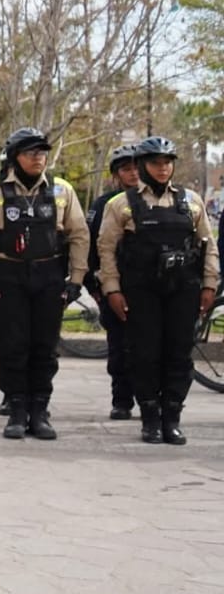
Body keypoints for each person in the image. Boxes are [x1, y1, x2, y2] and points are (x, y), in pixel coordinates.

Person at [0, 127, 90, 441]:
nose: (38, 158)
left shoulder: (62, 190)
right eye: (31, 152)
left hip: (49, 277)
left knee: (44, 347)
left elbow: (79, 235)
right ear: (14, 157)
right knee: (12, 346)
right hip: (8, 276)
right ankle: (17, 410)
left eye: (42, 152)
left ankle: (40, 411)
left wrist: (76, 280)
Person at [96, 136, 219, 445]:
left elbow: (208, 244)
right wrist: (111, 290)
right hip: (141, 291)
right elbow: (106, 251)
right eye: (156, 163)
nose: (163, 169)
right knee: (145, 355)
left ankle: (172, 417)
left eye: (167, 162)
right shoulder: (121, 204)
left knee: (178, 354)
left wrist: (209, 284)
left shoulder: (190, 201)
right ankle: (150, 418)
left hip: (183, 290)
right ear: (141, 166)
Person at [85, 143, 143, 421]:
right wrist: (95, 289)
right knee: (119, 350)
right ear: (116, 175)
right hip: (114, 290)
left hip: (152, 290)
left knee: (151, 351)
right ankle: (122, 401)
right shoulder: (103, 205)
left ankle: (151, 402)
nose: (133, 174)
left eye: (136, 167)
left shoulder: (165, 201)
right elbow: (89, 250)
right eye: (126, 169)